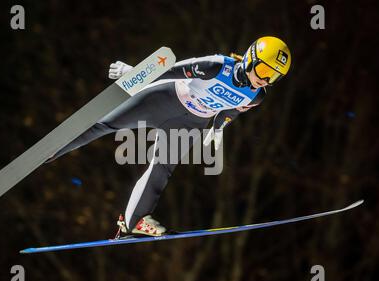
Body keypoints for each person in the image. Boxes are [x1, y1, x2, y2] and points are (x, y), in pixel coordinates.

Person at [46, 36, 292, 237]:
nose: (264, 78)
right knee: (106, 124)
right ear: (250, 58)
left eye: (273, 77)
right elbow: (174, 70)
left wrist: (218, 128)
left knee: (162, 168)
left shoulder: (256, 96)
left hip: (191, 121)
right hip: (165, 99)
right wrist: (135, 73)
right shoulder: (218, 66)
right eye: (263, 69)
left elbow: (230, 111)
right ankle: (51, 150)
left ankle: (135, 220)